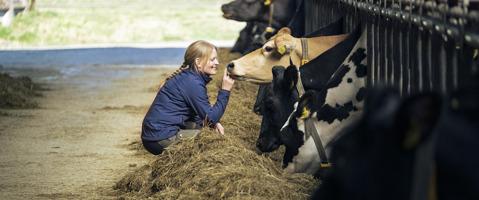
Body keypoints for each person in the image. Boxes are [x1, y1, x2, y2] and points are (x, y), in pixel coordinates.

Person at [141, 40, 235, 155]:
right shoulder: (193, 82)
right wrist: (225, 90)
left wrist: (215, 122)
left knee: (204, 128)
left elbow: (202, 116)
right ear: (198, 62)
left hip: (154, 135)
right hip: (160, 138)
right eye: (212, 59)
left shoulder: (190, 76)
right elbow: (209, 118)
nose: (217, 62)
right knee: (209, 139)